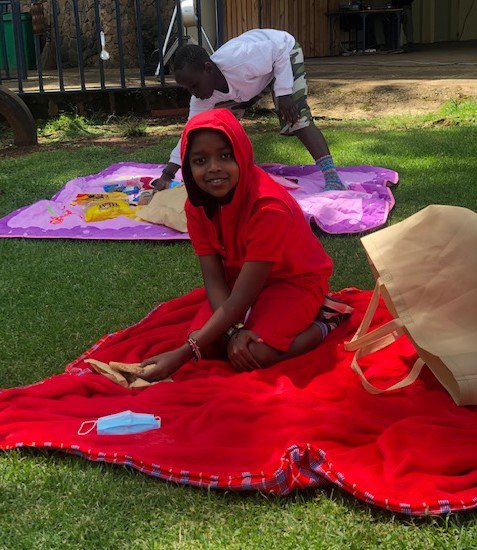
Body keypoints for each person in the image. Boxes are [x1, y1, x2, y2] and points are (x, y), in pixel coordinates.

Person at [138, 109, 348, 382]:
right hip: (238, 281)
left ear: (242, 155)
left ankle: (326, 320)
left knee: (256, 354)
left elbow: (239, 299)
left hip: (293, 281)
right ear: (188, 168)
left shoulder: (268, 208)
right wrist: (230, 331)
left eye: (225, 156)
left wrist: (181, 355)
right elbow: (213, 278)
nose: (213, 168)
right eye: (200, 160)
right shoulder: (196, 206)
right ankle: (243, 329)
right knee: (208, 344)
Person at [142, 28, 346, 203]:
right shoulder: (202, 98)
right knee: (215, 125)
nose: (193, 93)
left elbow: (281, 49)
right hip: (253, 82)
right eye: (188, 89)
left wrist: (284, 93)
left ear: (208, 68)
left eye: (194, 85)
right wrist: (167, 175)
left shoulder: (240, 60)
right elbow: (190, 134)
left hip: (283, 51)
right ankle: (242, 176)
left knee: (296, 119)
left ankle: (332, 177)